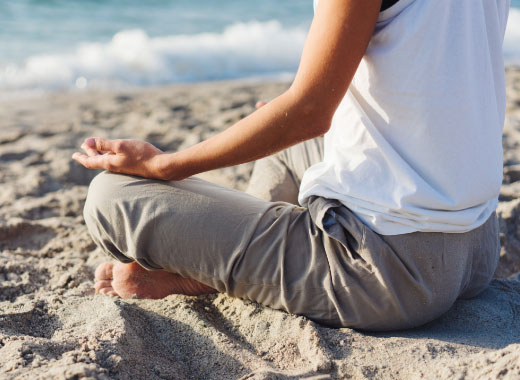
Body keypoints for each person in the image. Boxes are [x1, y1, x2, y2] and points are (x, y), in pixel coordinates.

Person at [73, 0, 510, 331]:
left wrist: (164, 164)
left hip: (392, 272)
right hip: (476, 242)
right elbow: (431, 73)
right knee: (284, 150)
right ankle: (222, 264)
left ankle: (211, 271)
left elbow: (309, 112)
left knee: (111, 198)